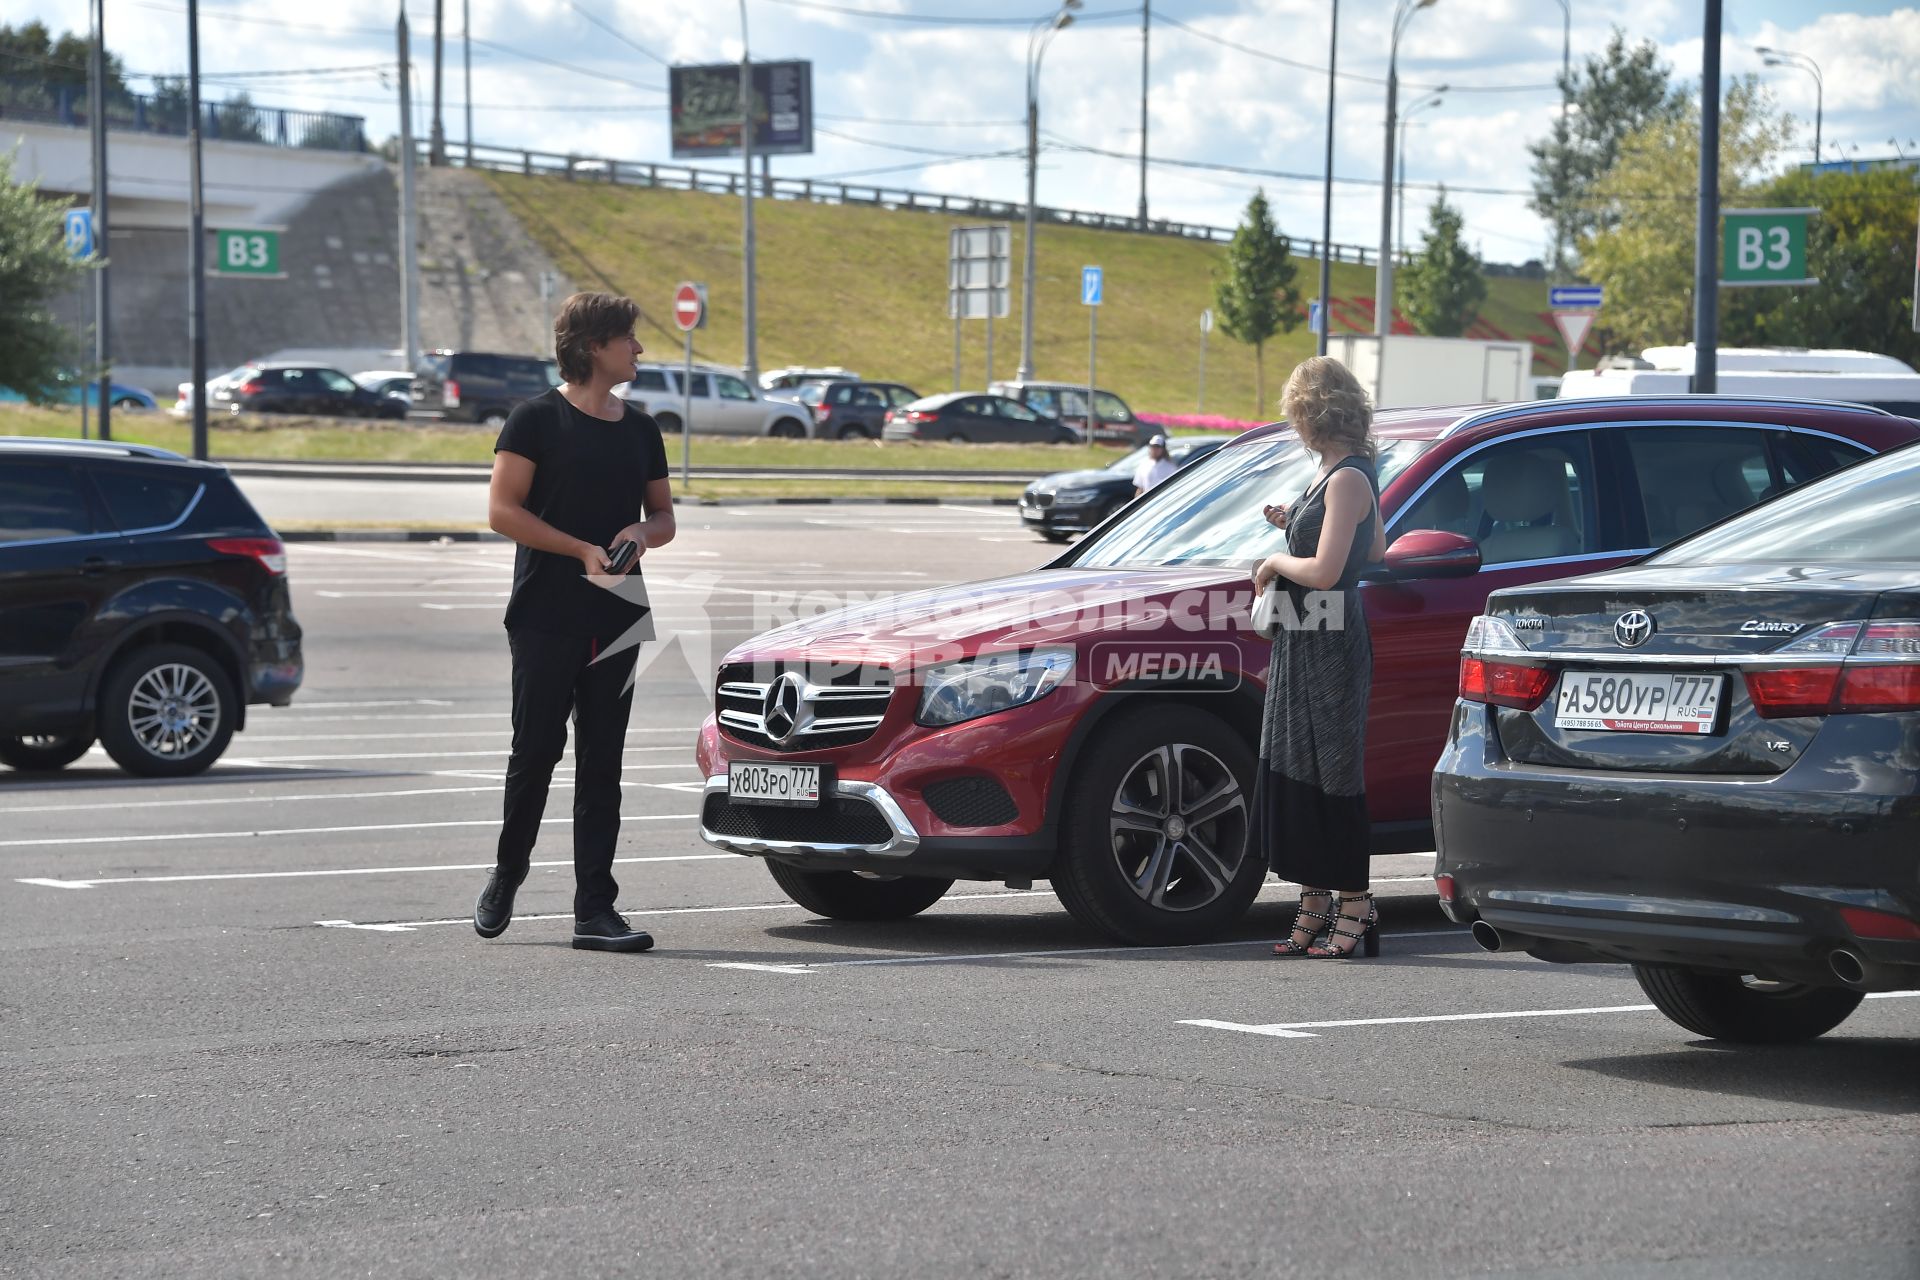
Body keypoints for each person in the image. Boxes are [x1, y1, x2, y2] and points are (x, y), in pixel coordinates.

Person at [474, 292, 674, 952]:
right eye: (628, 340)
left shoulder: (642, 429)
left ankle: (596, 907)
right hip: (545, 613)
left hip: (618, 616)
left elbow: (665, 519)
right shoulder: (535, 419)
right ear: (594, 347)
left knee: (603, 762)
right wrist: (580, 548)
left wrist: (640, 534)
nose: (639, 350)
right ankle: (509, 872)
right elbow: (503, 510)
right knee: (535, 752)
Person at [1250, 357, 1386, 959]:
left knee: (1332, 769)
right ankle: (1313, 904)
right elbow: (1376, 547)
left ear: (1310, 413)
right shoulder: (1335, 475)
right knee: (1296, 763)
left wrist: (1277, 561)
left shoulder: (1348, 477)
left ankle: (1355, 904)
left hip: (1329, 638)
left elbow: (1331, 572)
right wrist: (1294, 526)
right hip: (1306, 634)